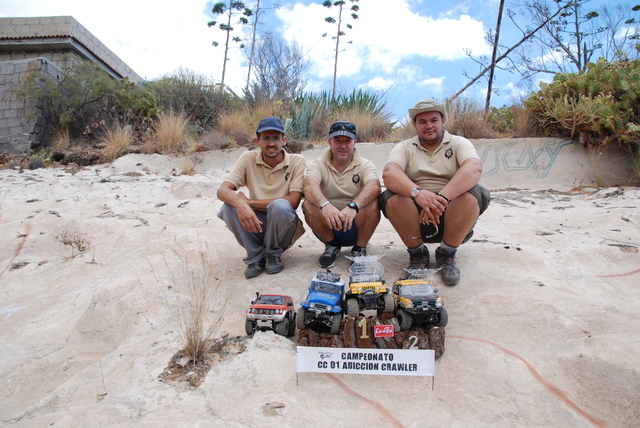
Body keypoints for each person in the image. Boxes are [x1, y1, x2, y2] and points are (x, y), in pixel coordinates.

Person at [380, 99, 491, 285]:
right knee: (392, 197)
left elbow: (474, 169)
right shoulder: (404, 147)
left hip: (453, 215)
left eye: (434, 120)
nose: (428, 126)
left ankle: (447, 254)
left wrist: (441, 198)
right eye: (422, 122)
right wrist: (418, 193)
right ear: (415, 124)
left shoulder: (459, 143)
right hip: (416, 217)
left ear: (443, 121)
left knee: (472, 194)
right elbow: (390, 174)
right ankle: (418, 254)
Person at [217, 116, 306, 279]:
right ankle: (255, 258)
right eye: (266, 138)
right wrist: (240, 203)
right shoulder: (247, 158)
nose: (271, 143)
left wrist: (249, 203)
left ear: (284, 140)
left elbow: (293, 201)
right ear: (257, 141)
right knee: (228, 207)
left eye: (276, 138)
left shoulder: (297, 161)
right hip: (255, 222)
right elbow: (222, 190)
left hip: (283, 225)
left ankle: (273, 255)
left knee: (280, 206)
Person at [303, 121, 381, 268]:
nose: (343, 146)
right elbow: (309, 186)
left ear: (355, 142)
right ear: (329, 142)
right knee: (308, 204)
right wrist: (325, 205)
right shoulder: (317, 164)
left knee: (374, 202)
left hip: (356, 225)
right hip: (328, 225)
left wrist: (353, 206)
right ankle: (332, 246)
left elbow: (375, 186)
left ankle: (360, 248)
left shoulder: (365, 164)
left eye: (348, 141)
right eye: (337, 141)